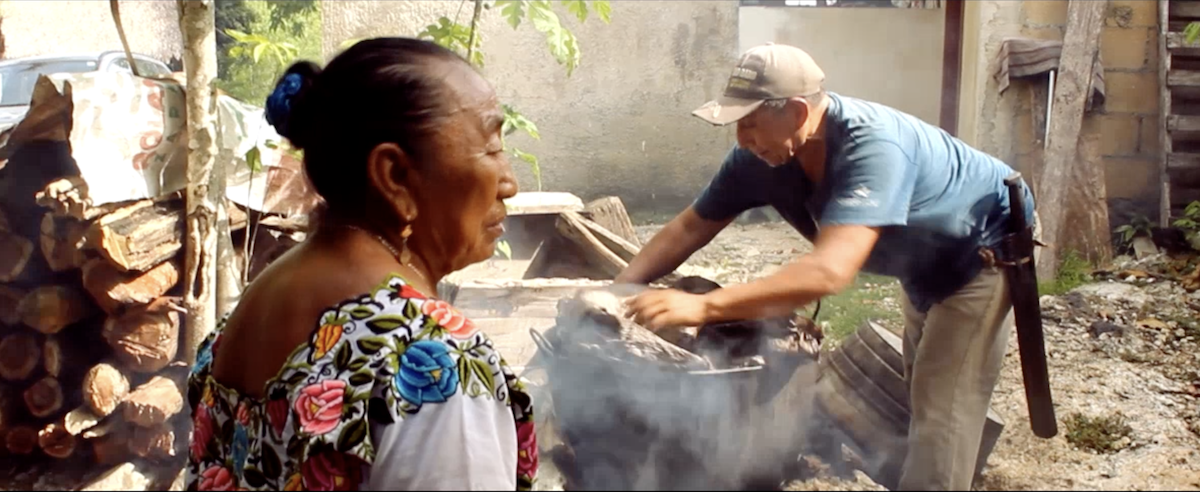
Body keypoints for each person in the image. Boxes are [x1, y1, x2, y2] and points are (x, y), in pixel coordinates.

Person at [619, 43, 1036, 491]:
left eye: (751, 123)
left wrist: (703, 307)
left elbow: (829, 273)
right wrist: (617, 289)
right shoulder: (759, 158)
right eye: (736, 125)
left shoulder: (873, 147)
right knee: (923, 386)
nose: (742, 139)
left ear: (798, 113)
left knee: (945, 405)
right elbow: (689, 227)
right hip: (921, 260)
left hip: (981, 251)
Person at [186, 38, 538, 491]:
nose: (508, 181)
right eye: (491, 148)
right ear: (394, 176)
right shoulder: (433, 367)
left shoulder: (259, 299)